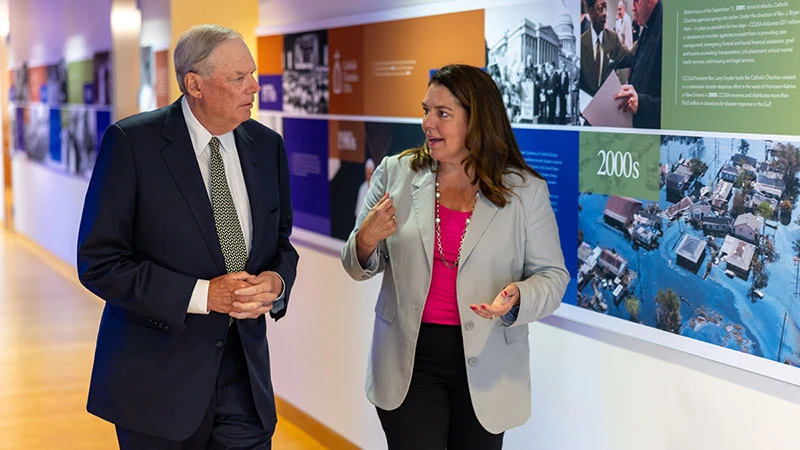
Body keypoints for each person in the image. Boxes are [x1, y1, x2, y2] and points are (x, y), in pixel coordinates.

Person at [77, 24, 299, 449]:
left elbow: (281, 241)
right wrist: (202, 295)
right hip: (158, 381)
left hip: (245, 378)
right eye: (238, 78)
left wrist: (277, 281)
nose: (254, 86)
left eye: (252, 74)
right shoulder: (132, 143)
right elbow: (99, 262)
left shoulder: (267, 145)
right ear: (194, 84)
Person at [341, 64, 569, 450]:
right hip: (408, 362)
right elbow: (356, 263)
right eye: (426, 110)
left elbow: (552, 276)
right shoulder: (396, 173)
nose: (428, 123)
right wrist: (365, 238)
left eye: (442, 114)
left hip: (489, 362)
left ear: (477, 120)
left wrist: (518, 295)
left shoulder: (525, 190)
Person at [614, 0, 663, 129]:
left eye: (636, 1)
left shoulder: (667, 28)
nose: (633, 8)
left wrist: (641, 103)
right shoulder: (648, 27)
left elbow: (676, 105)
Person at [579, 0, 633, 97]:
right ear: (591, 12)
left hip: (608, 104)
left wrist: (645, 37)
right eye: (600, 9)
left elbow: (629, 57)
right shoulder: (581, 43)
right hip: (587, 107)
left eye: (605, 8)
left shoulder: (613, 39)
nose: (604, 13)